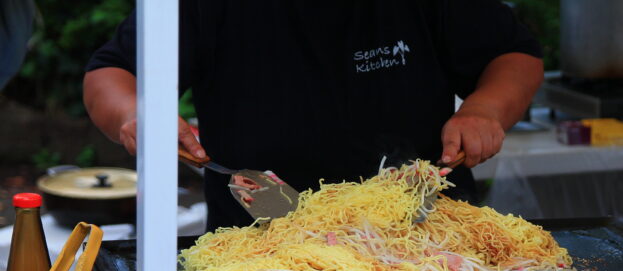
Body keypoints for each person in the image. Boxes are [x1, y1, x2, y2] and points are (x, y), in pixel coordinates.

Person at [84, 1, 543, 231]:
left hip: (429, 237)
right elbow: (113, 71)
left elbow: (513, 55)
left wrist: (485, 109)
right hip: (257, 245)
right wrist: (138, 112)